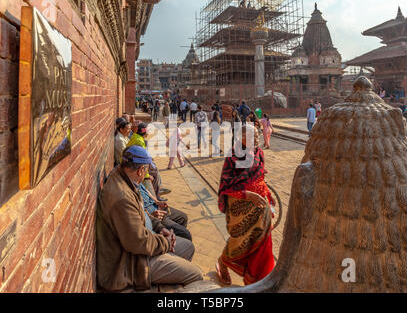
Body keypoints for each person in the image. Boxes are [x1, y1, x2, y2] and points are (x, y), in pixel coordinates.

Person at [96, 146, 203, 292]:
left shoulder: (125, 180)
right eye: (146, 170)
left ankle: (171, 265)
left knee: (188, 247)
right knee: (195, 275)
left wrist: (160, 228)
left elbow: (142, 214)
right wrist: (165, 242)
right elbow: (138, 243)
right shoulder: (122, 197)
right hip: (131, 263)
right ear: (141, 170)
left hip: (144, 245)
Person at [215, 124, 276, 286]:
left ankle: (259, 277)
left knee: (263, 241)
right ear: (241, 137)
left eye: (257, 136)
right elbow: (226, 186)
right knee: (241, 240)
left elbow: (260, 175)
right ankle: (224, 261)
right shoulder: (233, 156)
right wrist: (248, 195)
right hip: (240, 207)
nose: (257, 139)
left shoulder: (259, 152)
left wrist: (267, 194)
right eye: (252, 136)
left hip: (261, 204)